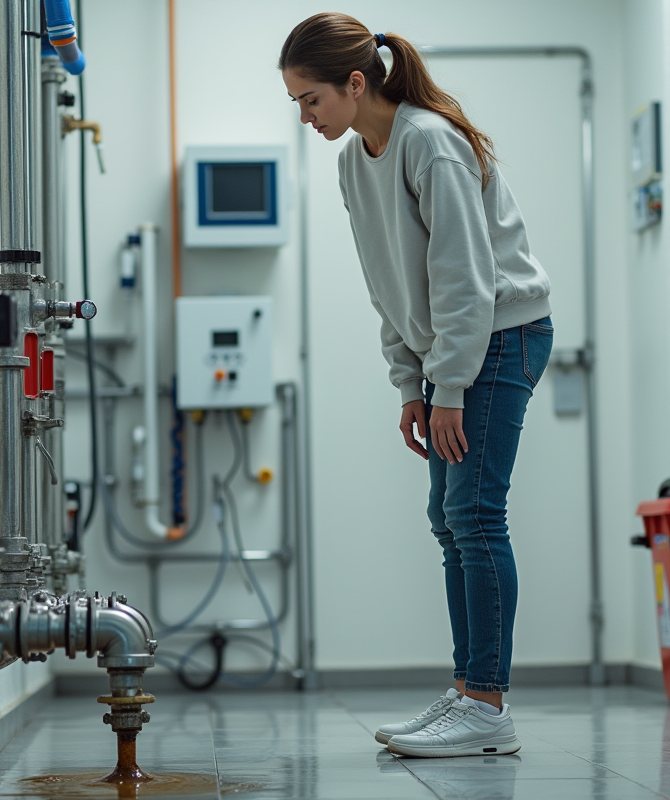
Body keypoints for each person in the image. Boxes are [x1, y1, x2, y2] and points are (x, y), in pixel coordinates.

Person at [279, 13, 554, 758]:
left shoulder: (428, 143)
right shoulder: (353, 162)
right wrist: (411, 384)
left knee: (474, 512)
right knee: (448, 515)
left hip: (500, 336)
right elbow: (392, 284)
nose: (305, 116)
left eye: (311, 100)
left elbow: (463, 279)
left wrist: (451, 388)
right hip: (453, 351)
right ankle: (470, 691)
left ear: (355, 83)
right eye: (298, 103)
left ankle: (489, 706)